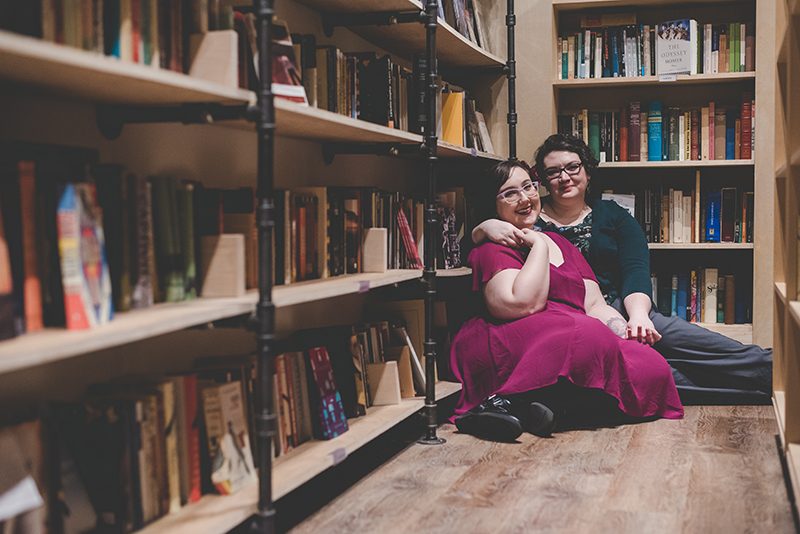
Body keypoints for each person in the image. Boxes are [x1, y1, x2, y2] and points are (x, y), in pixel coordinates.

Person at [471, 134, 772, 404]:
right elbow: (479, 250)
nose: (564, 177)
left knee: (701, 346)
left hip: (623, 306)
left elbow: (636, 270)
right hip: (569, 321)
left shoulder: (613, 216)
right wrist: (484, 227)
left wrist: (639, 316)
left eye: (573, 167)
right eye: (553, 172)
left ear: (587, 172)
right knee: (661, 375)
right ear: (544, 180)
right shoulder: (527, 217)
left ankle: (776, 371)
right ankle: (758, 392)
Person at [451, 160, 683, 441]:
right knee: (585, 333)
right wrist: (537, 245)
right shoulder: (493, 247)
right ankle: (502, 402)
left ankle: (531, 408)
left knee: (652, 367)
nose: (525, 198)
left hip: (568, 335)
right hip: (507, 338)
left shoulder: (561, 244)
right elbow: (521, 304)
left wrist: (623, 335)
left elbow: (594, 305)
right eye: (510, 193)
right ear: (493, 204)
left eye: (528, 187)